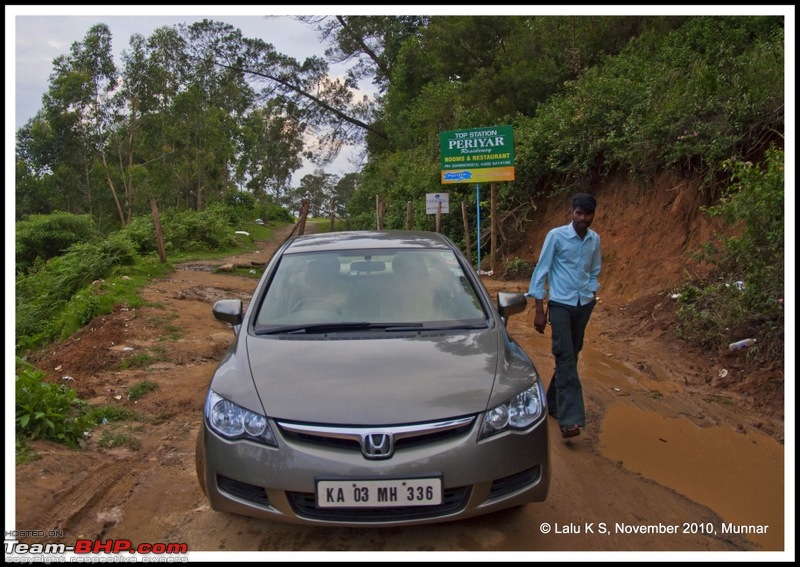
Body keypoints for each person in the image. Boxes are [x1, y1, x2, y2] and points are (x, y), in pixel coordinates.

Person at [526, 193, 601, 439]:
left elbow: (594, 270)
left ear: (592, 215)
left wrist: (591, 290)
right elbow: (541, 270)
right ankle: (570, 419)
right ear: (572, 212)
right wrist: (539, 309)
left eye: (587, 214)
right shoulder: (556, 236)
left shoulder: (594, 240)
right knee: (565, 356)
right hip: (559, 305)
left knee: (572, 353)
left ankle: (553, 403)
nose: (582, 218)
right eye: (578, 213)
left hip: (584, 304)